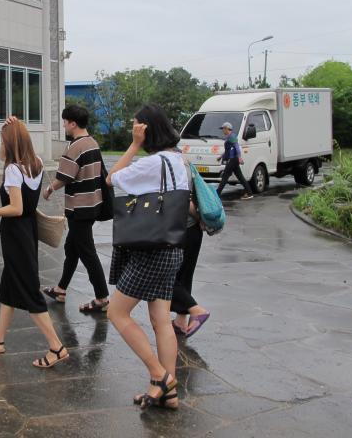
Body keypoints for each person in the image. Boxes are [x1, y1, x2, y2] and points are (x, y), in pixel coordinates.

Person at [105, 104, 188, 409]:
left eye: (135, 125)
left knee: (116, 312)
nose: (132, 128)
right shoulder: (178, 159)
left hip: (150, 251)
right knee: (161, 320)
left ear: (145, 129)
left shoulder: (153, 163)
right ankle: (168, 393)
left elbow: (112, 178)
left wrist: (134, 145)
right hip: (172, 248)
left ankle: (160, 376)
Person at [0, 118, 70, 369]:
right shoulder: (36, 163)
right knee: (9, 284)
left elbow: (16, 208)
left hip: (16, 233)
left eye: (1, 140)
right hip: (27, 231)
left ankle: (56, 347)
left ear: (9, 143)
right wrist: (15, 125)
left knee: (28, 289)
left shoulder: (13, 170)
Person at [42, 104, 110, 313]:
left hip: (79, 207)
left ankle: (102, 298)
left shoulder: (75, 146)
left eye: (65, 122)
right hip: (92, 204)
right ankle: (61, 289)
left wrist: (49, 189)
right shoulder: (92, 143)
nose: (64, 125)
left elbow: (65, 177)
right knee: (72, 249)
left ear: (73, 123)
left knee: (87, 252)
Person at [171, 160, 211, 338]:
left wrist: (198, 216)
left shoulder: (172, 164)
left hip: (180, 229)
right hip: (192, 230)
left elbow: (184, 200)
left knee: (164, 277)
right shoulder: (185, 162)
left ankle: (197, 310)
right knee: (184, 276)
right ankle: (180, 322)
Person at [216, 121, 253, 199]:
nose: (222, 130)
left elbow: (237, 147)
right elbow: (228, 150)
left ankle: (217, 194)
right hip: (234, 160)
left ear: (227, 129)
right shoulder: (229, 137)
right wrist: (221, 157)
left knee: (225, 176)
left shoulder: (232, 137)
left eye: (223, 129)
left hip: (233, 160)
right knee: (240, 177)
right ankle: (249, 193)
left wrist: (239, 157)